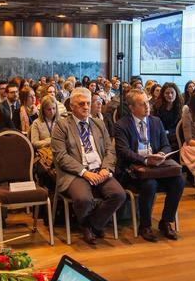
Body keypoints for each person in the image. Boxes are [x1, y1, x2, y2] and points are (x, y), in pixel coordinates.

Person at [51, 87, 126, 246]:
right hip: (75, 173)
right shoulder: (62, 126)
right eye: (81, 104)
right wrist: (84, 172)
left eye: (88, 103)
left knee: (119, 194)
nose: (86, 107)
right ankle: (92, 226)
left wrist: (106, 168)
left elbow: (109, 149)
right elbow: (61, 157)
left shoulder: (98, 123)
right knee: (84, 199)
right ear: (72, 106)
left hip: (99, 169)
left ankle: (90, 224)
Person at [112, 90, 184, 242]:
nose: (147, 106)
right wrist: (145, 160)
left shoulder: (156, 121)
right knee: (150, 184)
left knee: (179, 180)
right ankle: (145, 225)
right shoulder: (121, 125)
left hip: (156, 167)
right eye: (142, 104)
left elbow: (166, 145)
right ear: (131, 107)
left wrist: (162, 155)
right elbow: (123, 152)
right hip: (134, 169)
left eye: (148, 102)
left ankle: (166, 222)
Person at [154, 82, 184, 150]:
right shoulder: (157, 107)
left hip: (175, 136)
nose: (170, 95)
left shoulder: (180, 108)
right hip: (160, 135)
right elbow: (155, 125)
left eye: (172, 93)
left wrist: (169, 132)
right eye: (167, 93)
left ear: (176, 93)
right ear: (163, 94)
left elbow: (180, 127)